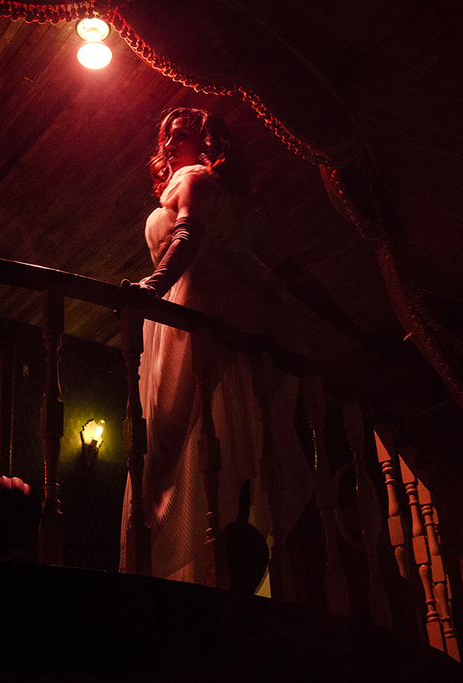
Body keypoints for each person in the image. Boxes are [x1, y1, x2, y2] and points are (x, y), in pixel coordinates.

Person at [121, 108, 314, 586]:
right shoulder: (236, 203)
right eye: (165, 136)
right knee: (234, 434)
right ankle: (222, 554)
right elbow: (287, 270)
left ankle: (153, 560)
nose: (169, 145)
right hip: (232, 317)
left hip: (198, 312)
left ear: (206, 144)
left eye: (181, 135)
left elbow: (188, 233)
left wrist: (151, 288)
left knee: (168, 443)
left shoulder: (194, 180)